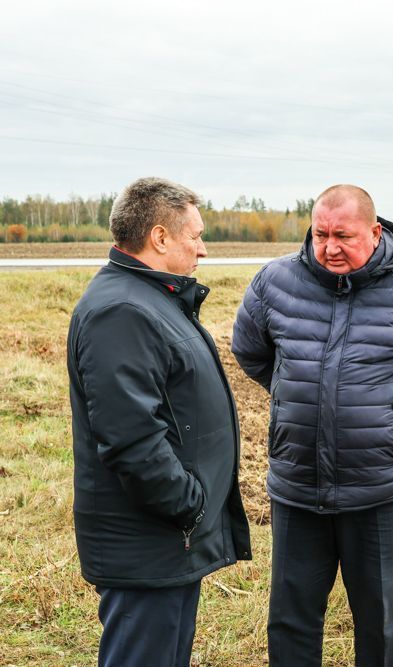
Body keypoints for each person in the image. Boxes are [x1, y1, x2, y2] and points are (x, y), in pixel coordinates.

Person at [231, 184, 393, 666]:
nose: (330, 247)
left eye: (343, 235)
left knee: (382, 624)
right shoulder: (274, 283)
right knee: (291, 620)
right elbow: (251, 352)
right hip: (298, 487)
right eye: (320, 234)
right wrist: (297, 394)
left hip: (379, 491)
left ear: (375, 232)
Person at [67, 177, 252, 667]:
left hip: (166, 542)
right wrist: (188, 506)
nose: (203, 249)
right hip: (148, 542)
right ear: (160, 237)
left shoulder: (151, 298)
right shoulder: (122, 312)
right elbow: (130, 439)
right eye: (196, 236)